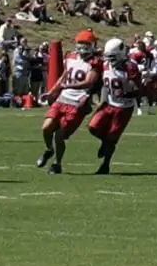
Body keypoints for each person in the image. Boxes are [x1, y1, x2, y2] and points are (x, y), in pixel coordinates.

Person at [36, 30, 102, 174]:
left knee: (59, 135)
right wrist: (52, 92)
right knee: (46, 127)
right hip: (62, 98)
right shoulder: (71, 57)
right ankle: (49, 149)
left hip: (78, 102)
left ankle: (57, 164)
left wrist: (69, 86)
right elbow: (63, 77)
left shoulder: (95, 62)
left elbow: (89, 82)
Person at [87, 38, 139, 173]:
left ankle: (105, 164)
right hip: (108, 103)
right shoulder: (105, 65)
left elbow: (138, 89)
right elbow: (102, 84)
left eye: (113, 56)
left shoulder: (130, 67)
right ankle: (105, 142)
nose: (110, 59)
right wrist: (100, 99)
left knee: (112, 137)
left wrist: (127, 91)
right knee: (92, 127)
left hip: (123, 107)